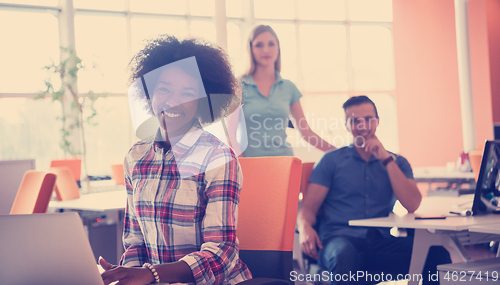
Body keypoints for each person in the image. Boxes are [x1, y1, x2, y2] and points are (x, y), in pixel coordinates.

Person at [99, 36, 251, 285]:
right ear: (150, 92)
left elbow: (221, 253)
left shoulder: (218, 158)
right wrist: (128, 274)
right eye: (164, 89)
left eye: (187, 93)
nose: (173, 100)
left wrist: (152, 274)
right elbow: (135, 242)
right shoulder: (136, 158)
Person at [297, 95, 451, 284]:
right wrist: (304, 227)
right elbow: (308, 208)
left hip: (380, 242)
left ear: (377, 121)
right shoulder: (331, 161)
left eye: (368, 119)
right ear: (346, 125)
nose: (362, 125)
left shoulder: (398, 162)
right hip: (339, 239)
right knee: (343, 255)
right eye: (355, 121)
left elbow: (412, 204)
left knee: (436, 255)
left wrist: (386, 160)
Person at [239, 24, 336, 157]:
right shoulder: (238, 86)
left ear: (278, 47)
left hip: (284, 165)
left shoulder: (289, 87)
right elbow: (230, 136)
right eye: (259, 45)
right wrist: (242, 167)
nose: (266, 50)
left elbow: (306, 133)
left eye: (271, 44)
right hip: (250, 166)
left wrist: (341, 153)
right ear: (250, 49)